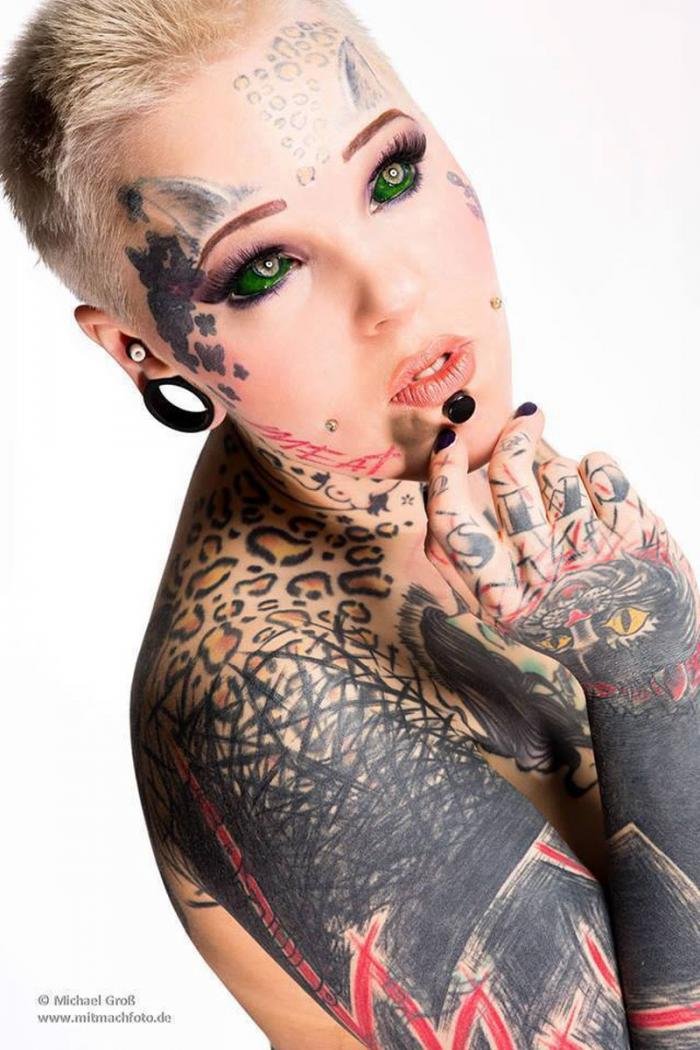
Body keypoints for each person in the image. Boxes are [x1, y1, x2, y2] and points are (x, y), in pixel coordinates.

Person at [2, 1, 698, 1048]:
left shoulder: (431, 464)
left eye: (392, 174)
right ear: (142, 349)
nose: (397, 290)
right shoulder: (274, 712)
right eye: (265, 267)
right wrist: (654, 677)